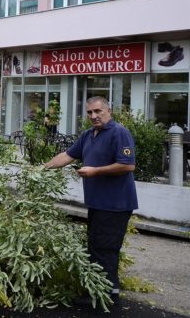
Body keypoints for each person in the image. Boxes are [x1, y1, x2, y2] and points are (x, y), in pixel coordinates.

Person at [44, 96, 137, 305]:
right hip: (97, 203)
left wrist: (95, 171)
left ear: (108, 111)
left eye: (98, 111)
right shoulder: (88, 135)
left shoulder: (119, 132)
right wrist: (41, 169)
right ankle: (98, 291)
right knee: (96, 246)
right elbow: (67, 155)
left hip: (115, 205)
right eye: (89, 113)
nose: (93, 116)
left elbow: (127, 165)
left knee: (105, 250)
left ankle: (107, 297)